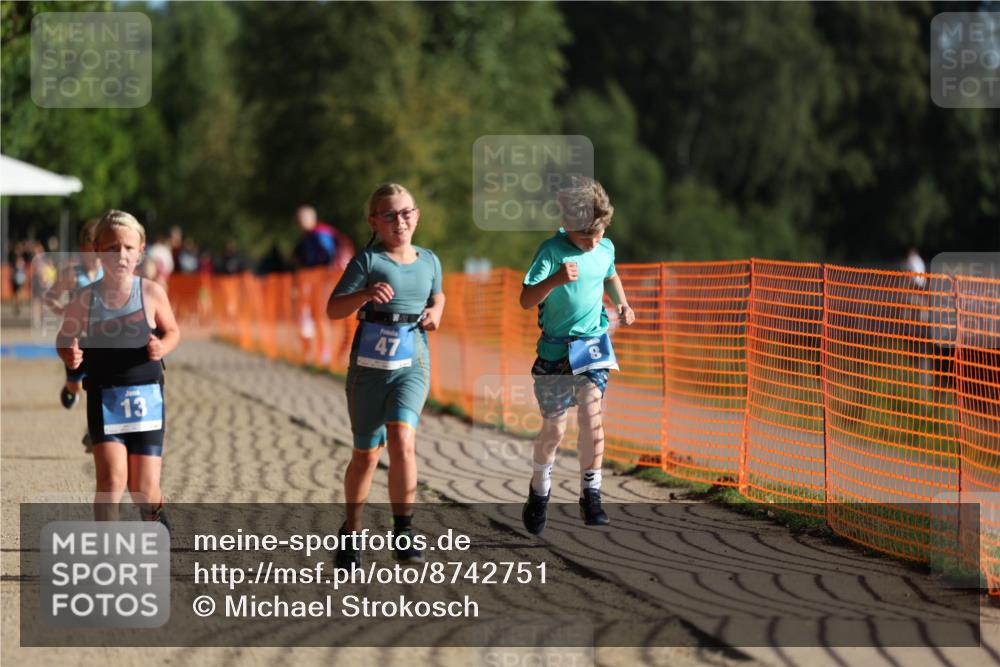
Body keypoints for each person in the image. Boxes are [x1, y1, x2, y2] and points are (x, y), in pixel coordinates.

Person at [326, 183, 445, 568]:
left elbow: (437, 295)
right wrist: (363, 294)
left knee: (402, 439)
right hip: (369, 370)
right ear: (374, 221)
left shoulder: (429, 260)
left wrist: (437, 311)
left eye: (406, 213)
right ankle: (353, 530)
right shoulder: (367, 261)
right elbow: (333, 309)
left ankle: (404, 529)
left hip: (412, 364)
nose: (400, 221)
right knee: (365, 456)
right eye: (390, 215)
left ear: (417, 216)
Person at [518, 176, 635, 535]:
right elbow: (525, 300)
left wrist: (623, 303)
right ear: (566, 224)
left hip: (592, 345)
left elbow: (610, 275)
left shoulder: (604, 248)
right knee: (554, 430)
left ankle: (592, 493)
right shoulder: (551, 252)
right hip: (554, 350)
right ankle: (539, 491)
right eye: (586, 237)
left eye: (598, 235)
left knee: (591, 414)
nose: (593, 243)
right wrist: (553, 280)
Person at [56, 210, 180, 528]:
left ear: (141, 250)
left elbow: (173, 332)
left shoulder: (151, 292)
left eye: (127, 247)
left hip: (147, 398)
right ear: (97, 250)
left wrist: (161, 347)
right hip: (104, 396)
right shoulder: (84, 298)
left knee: (142, 489)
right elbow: (64, 338)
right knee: (111, 482)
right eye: (111, 248)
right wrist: (69, 355)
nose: (120, 255)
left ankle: (154, 512)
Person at [44, 218, 104, 409]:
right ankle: (70, 387)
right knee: (76, 386)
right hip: (76, 337)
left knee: (101, 384)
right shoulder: (72, 274)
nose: (95, 258)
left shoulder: (110, 272)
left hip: (103, 336)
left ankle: (98, 426)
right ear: (81, 249)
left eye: (99, 252)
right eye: (90, 253)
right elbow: (50, 297)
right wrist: (61, 309)